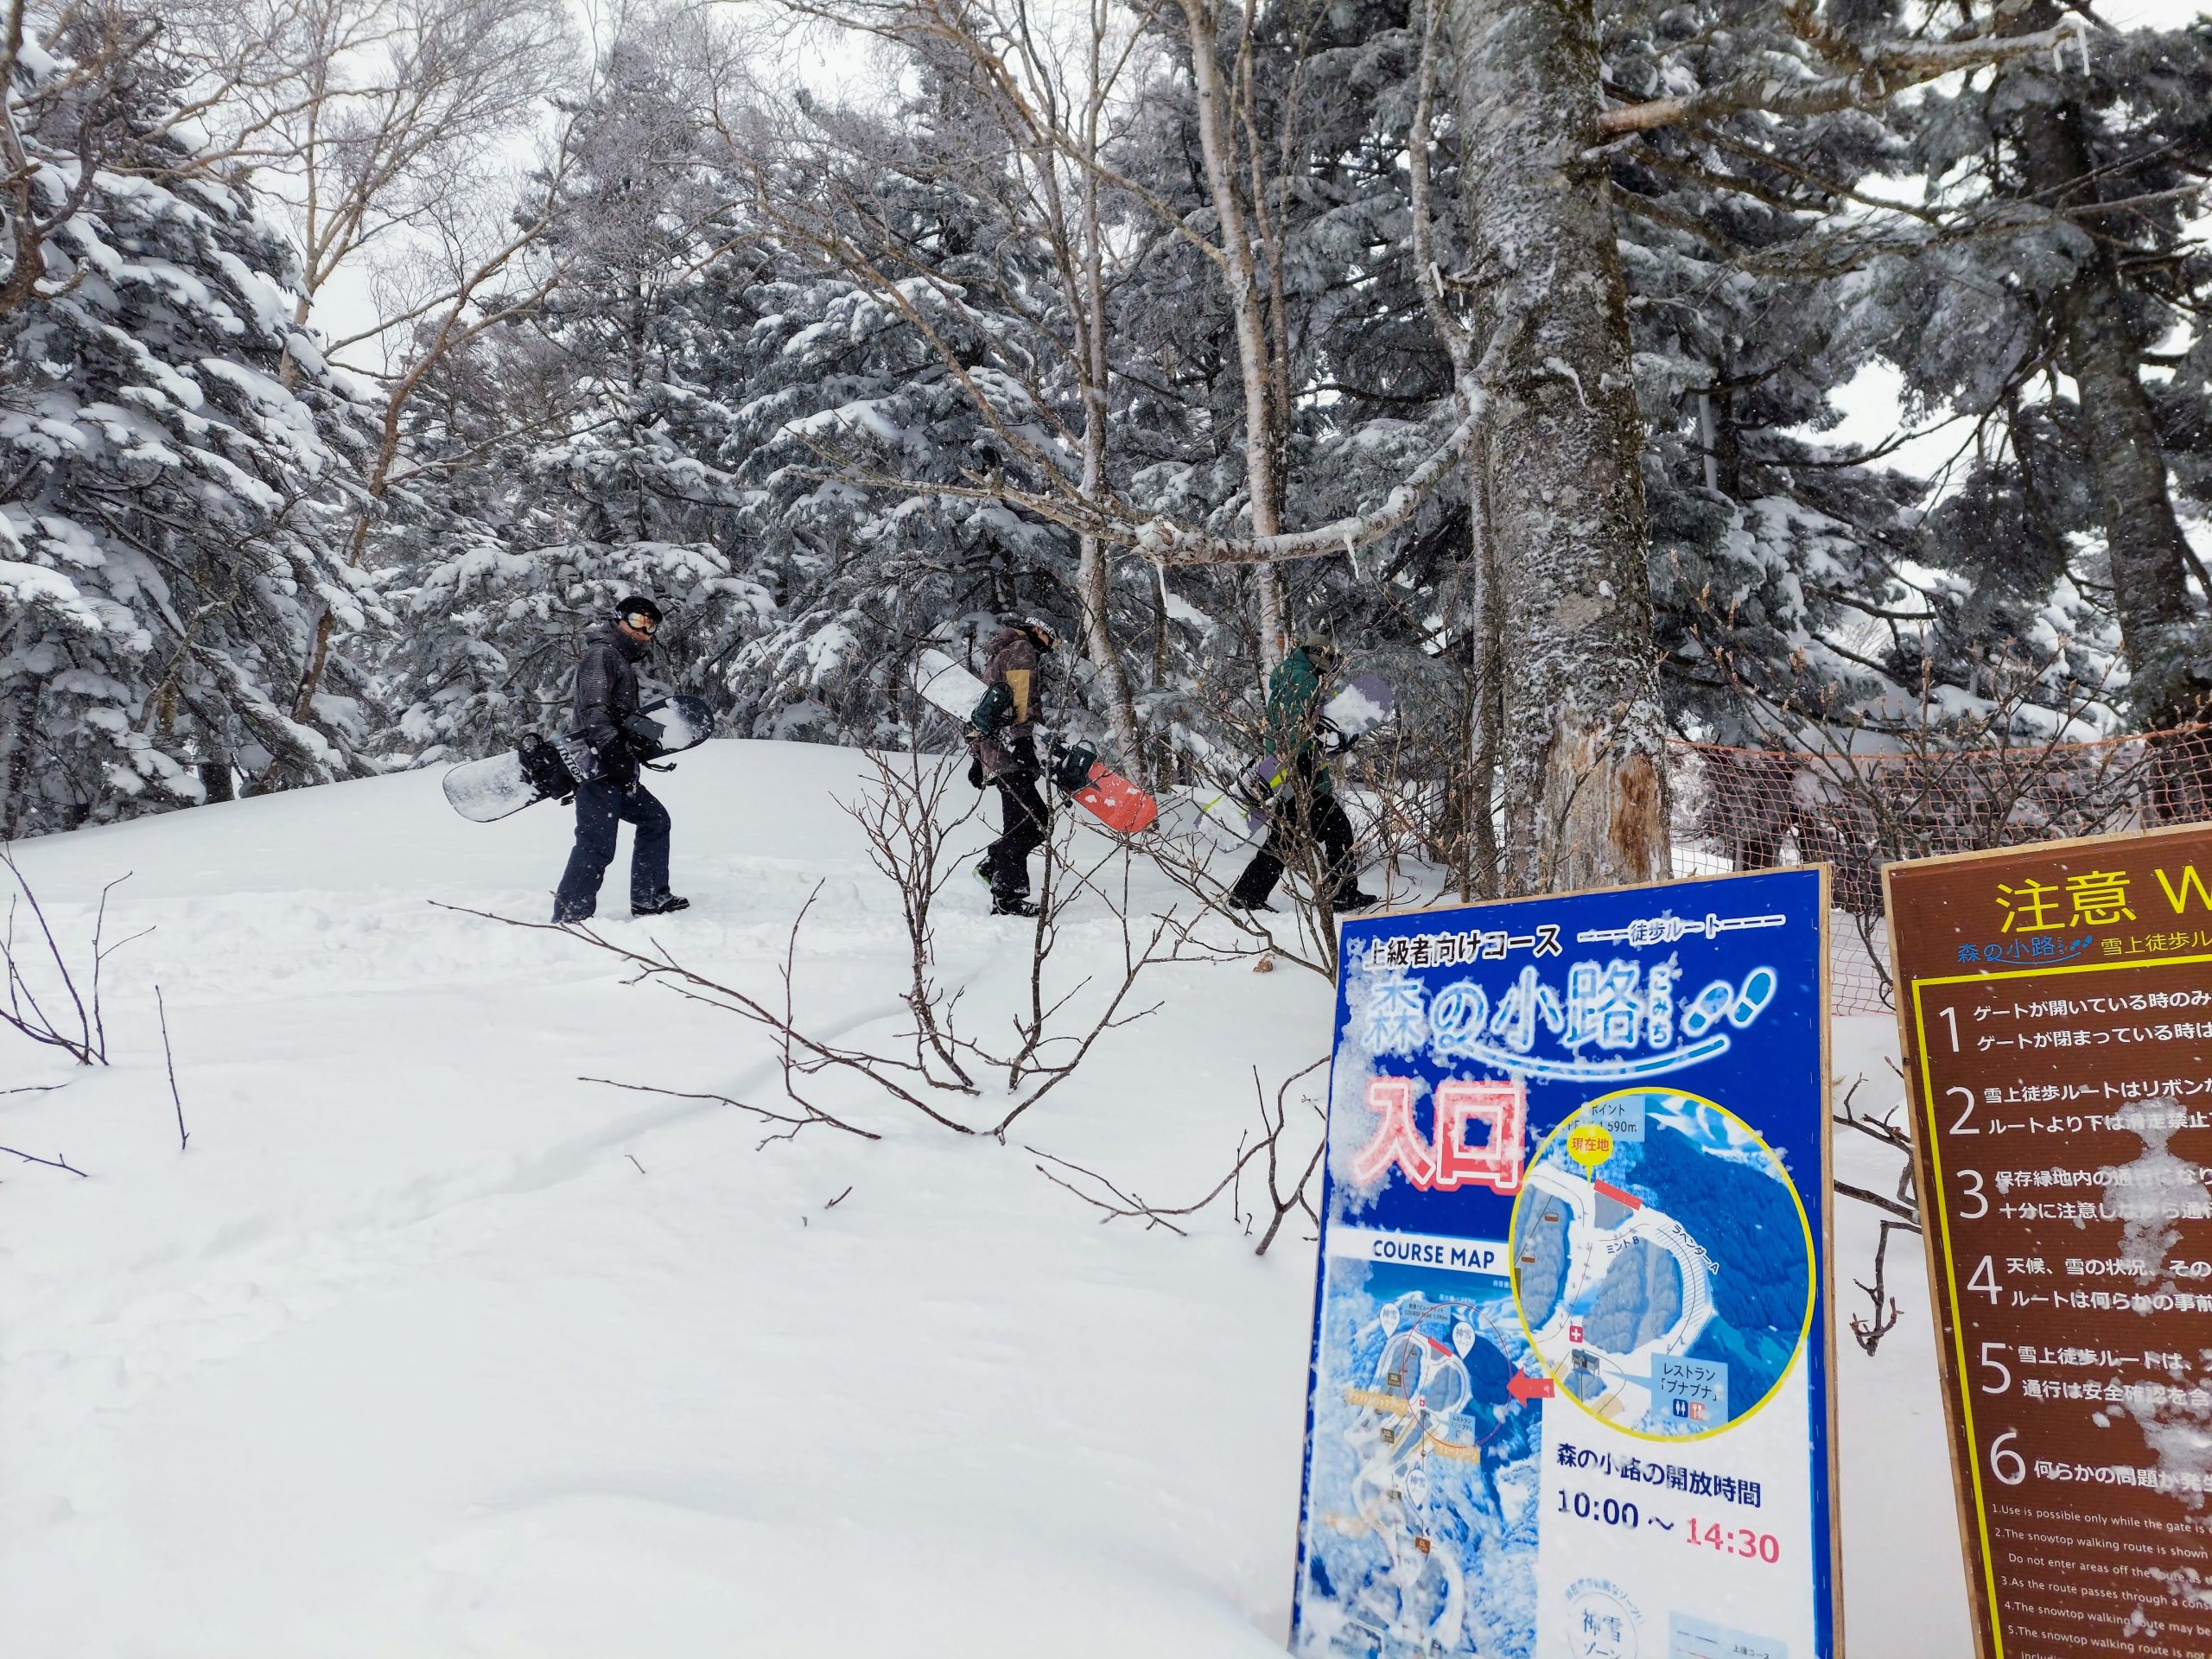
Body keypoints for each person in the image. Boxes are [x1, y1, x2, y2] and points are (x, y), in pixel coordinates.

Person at [551, 596, 690, 923]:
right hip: (597, 766)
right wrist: (612, 750)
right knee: (596, 844)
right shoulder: (602, 654)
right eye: (638, 620)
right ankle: (571, 917)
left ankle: (650, 897)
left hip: (615, 767)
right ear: (618, 619)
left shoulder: (619, 659)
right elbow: (594, 710)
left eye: (651, 624)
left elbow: (616, 714)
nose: (645, 629)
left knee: (655, 820)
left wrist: (631, 746)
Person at [1227, 635, 1378, 914]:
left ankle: (1248, 894)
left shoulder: (1298, 675)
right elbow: (1295, 727)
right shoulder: (1302, 680)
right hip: (1300, 770)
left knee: (1291, 836)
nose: (1333, 665)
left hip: (1297, 769)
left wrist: (1328, 740)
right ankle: (1339, 895)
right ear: (1318, 654)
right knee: (1326, 831)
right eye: (1330, 658)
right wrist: (1325, 741)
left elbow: (1303, 722)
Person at [968, 617, 1058, 917]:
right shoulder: (1022, 649)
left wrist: (977, 758)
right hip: (1011, 753)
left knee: (1031, 822)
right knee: (1030, 823)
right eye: (1051, 640)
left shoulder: (999, 653)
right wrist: (1023, 741)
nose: (1050, 648)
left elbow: (980, 711)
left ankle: (993, 867)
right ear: (1038, 630)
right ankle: (1007, 897)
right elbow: (1022, 697)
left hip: (998, 752)